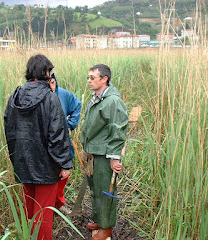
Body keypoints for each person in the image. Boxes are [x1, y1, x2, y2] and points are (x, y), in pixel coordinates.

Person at [4, 54, 73, 240]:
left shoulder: (14, 97)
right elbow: (58, 136)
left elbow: (9, 131)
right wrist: (65, 164)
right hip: (46, 168)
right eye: (50, 71)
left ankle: (27, 237)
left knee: (29, 208)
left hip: (23, 162)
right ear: (46, 72)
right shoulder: (51, 99)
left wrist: (16, 158)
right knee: (43, 214)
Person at [81, 64, 128, 240]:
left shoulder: (113, 101)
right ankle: (100, 221)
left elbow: (118, 129)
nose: (89, 81)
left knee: (105, 190)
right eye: (88, 77)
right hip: (94, 151)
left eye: (93, 77)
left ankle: (106, 228)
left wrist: (114, 157)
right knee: (95, 188)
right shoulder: (97, 98)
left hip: (104, 153)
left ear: (104, 79)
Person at [49, 73, 82, 214]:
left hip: (63, 143)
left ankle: (59, 203)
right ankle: (48, 207)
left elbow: (77, 105)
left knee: (64, 174)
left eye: (52, 82)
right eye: (47, 83)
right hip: (47, 145)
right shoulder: (39, 98)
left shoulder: (62, 94)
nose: (51, 86)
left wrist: (69, 125)